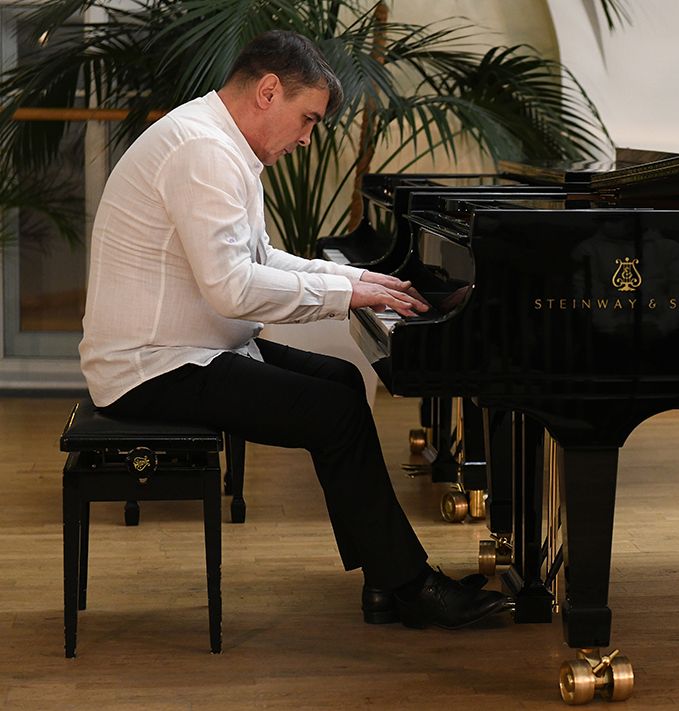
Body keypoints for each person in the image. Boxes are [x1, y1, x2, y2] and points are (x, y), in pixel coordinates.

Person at [79, 30, 507, 630]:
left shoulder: (218, 143)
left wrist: (361, 279)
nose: (307, 138)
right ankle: (411, 586)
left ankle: (384, 578)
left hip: (189, 350)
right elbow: (233, 288)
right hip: (151, 366)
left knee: (342, 382)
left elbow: (260, 258)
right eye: (307, 119)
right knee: (334, 412)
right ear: (269, 91)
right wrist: (345, 296)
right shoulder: (202, 151)